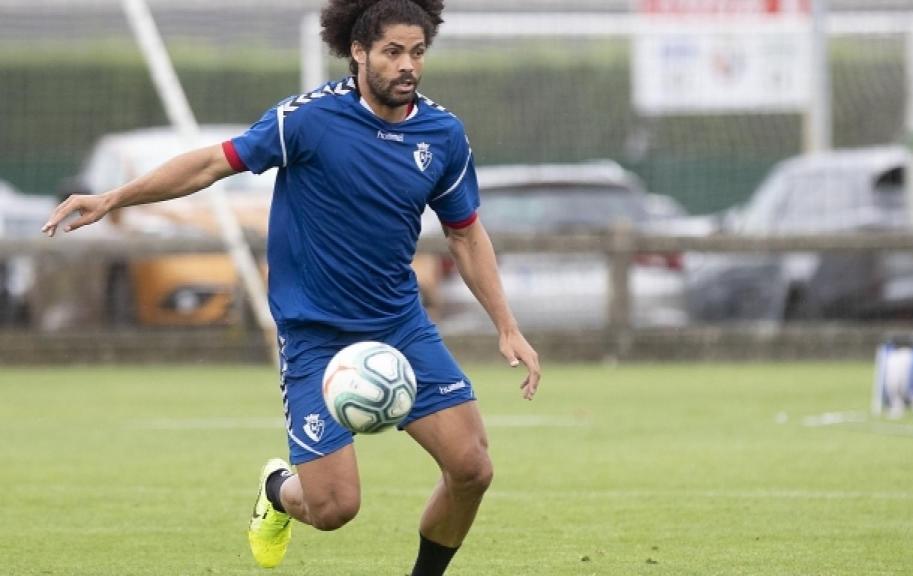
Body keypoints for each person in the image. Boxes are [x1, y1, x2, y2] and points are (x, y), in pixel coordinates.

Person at [41, 0, 542, 573]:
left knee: (472, 467)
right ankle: (279, 489)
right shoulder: (307, 119)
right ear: (358, 51)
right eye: (393, 52)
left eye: (418, 52)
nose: (408, 65)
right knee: (333, 508)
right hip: (315, 337)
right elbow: (211, 164)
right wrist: (112, 198)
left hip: (399, 326)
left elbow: (466, 235)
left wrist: (507, 325)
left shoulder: (442, 134)